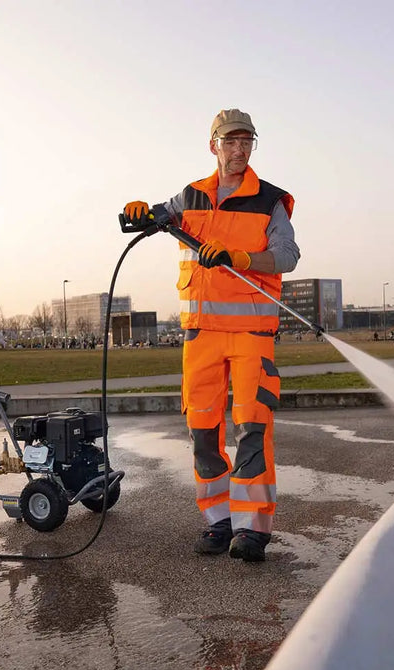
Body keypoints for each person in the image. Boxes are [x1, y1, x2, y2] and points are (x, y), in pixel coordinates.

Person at [122, 109, 300, 562]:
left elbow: (287, 255)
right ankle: (219, 522)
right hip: (200, 337)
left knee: (252, 430)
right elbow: (152, 218)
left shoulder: (269, 200)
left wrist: (241, 257)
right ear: (214, 145)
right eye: (231, 142)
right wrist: (138, 212)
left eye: (247, 143)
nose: (239, 150)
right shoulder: (191, 197)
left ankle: (252, 529)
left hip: (250, 334)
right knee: (203, 430)